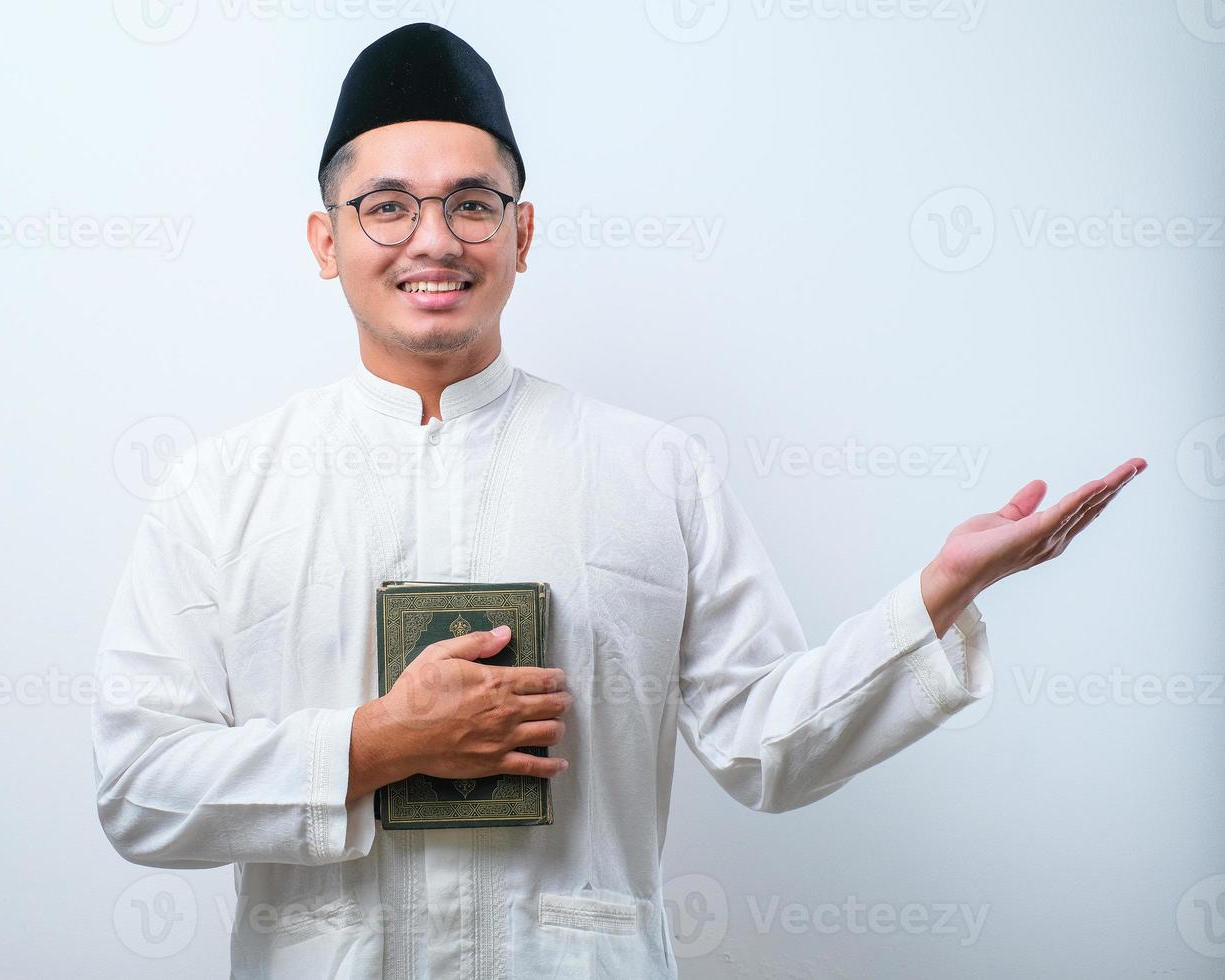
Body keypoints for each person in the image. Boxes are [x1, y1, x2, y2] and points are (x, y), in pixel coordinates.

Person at [90, 22, 1146, 979]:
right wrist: (379, 741)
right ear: (327, 240)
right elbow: (139, 785)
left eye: (471, 203)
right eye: (387, 207)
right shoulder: (223, 489)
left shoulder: (651, 471)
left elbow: (766, 741)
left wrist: (938, 594)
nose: (434, 238)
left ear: (523, 231)